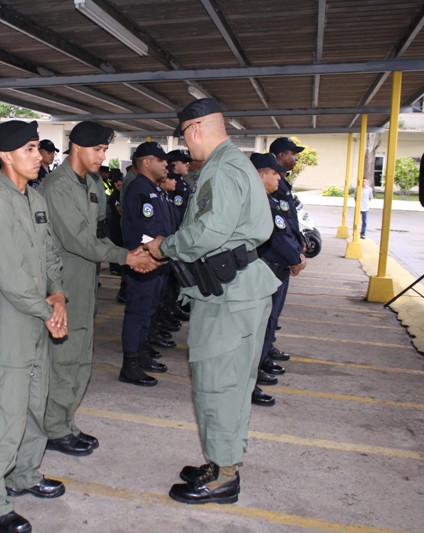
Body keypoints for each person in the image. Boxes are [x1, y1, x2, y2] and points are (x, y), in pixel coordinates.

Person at [146, 98, 279, 505]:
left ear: (196, 129)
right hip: (239, 288)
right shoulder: (235, 163)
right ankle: (223, 461)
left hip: (230, 296)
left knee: (218, 383)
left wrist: (165, 246)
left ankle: (223, 475)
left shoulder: (221, 169)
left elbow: (209, 231)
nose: (187, 145)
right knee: (233, 383)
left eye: (186, 136)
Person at [0, 120, 68, 533]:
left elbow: (50, 253)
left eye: (37, 149)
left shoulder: (35, 197)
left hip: (40, 310)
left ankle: (24, 474)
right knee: (4, 408)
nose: (38, 156)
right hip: (11, 316)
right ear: (6, 156)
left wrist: (58, 294)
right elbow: (8, 275)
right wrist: (48, 311)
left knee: (34, 399)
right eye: (29, 149)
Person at [40, 121, 158, 456]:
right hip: (64, 282)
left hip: (86, 279)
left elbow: (99, 232)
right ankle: (54, 428)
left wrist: (129, 253)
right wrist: (125, 257)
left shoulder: (91, 182)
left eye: (105, 150)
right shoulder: (57, 186)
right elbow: (78, 239)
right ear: (76, 147)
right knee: (64, 359)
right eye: (97, 149)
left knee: (81, 357)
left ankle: (67, 422)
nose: (102, 156)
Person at [250, 152, 306, 407]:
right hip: (267, 268)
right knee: (259, 328)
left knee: (267, 324)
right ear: (261, 174)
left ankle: (255, 372)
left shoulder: (268, 200)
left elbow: (288, 228)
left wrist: (297, 252)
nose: (278, 178)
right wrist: (295, 258)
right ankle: (249, 382)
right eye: (274, 174)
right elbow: (276, 237)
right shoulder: (258, 202)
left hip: (276, 267)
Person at [119, 142, 173, 386]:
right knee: (137, 312)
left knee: (149, 310)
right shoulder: (139, 188)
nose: (166, 164)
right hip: (143, 260)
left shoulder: (154, 189)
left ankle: (141, 353)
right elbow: (144, 229)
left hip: (158, 261)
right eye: (161, 160)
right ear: (147, 162)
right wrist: (152, 254)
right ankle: (129, 365)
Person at [266, 136, 307, 365]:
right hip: (276, 257)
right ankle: (262, 356)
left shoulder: (282, 183)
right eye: (293, 153)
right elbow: (278, 227)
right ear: (281, 155)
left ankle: (267, 347)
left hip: (285, 254)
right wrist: (293, 255)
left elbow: (289, 220)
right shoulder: (275, 186)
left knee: (274, 310)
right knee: (269, 311)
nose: (295, 158)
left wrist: (299, 243)